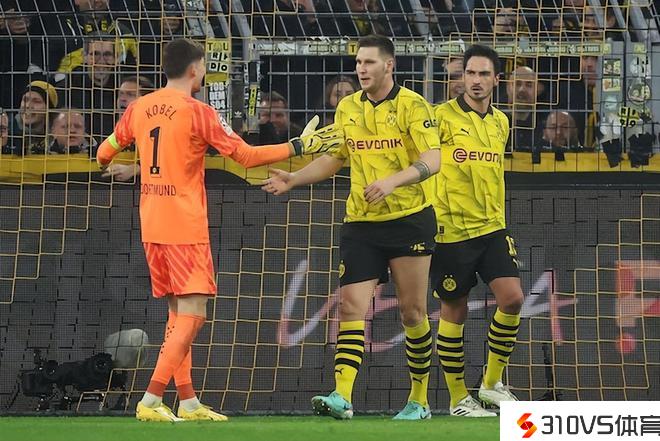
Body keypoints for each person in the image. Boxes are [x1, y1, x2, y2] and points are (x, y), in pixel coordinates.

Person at [95, 37, 342, 423]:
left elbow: (103, 153)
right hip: (184, 225)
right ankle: (151, 399)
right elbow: (246, 156)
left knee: (178, 315)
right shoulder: (199, 112)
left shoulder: (139, 107)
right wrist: (299, 145)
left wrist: (134, 167)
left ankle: (188, 401)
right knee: (194, 314)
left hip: (152, 224)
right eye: (205, 66)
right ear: (195, 69)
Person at [262, 34, 441, 420]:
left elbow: (433, 159)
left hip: (409, 219)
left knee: (413, 312)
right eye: (359, 62)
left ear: (389, 65)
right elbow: (335, 158)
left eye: (369, 62)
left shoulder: (413, 105)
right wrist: (294, 178)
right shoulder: (347, 108)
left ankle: (419, 400)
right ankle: (342, 396)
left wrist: (393, 182)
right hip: (361, 222)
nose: (361, 68)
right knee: (350, 306)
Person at [431, 44, 523, 417]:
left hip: (492, 227)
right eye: (470, 73)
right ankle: (458, 400)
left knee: (513, 299)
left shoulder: (501, 122)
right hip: (451, 231)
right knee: (454, 310)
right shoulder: (440, 118)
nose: (476, 80)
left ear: (496, 80)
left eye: (484, 74)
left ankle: (490, 383)